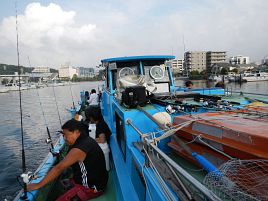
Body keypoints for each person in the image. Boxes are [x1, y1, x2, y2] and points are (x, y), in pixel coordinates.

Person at [27, 119, 108, 201]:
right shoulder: (87, 139)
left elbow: (59, 168)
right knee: (61, 185)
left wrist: (38, 185)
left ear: (76, 132)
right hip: (98, 183)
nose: (64, 138)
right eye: (63, 135)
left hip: (91, 189)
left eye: (66, 135)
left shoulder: (79, 149)